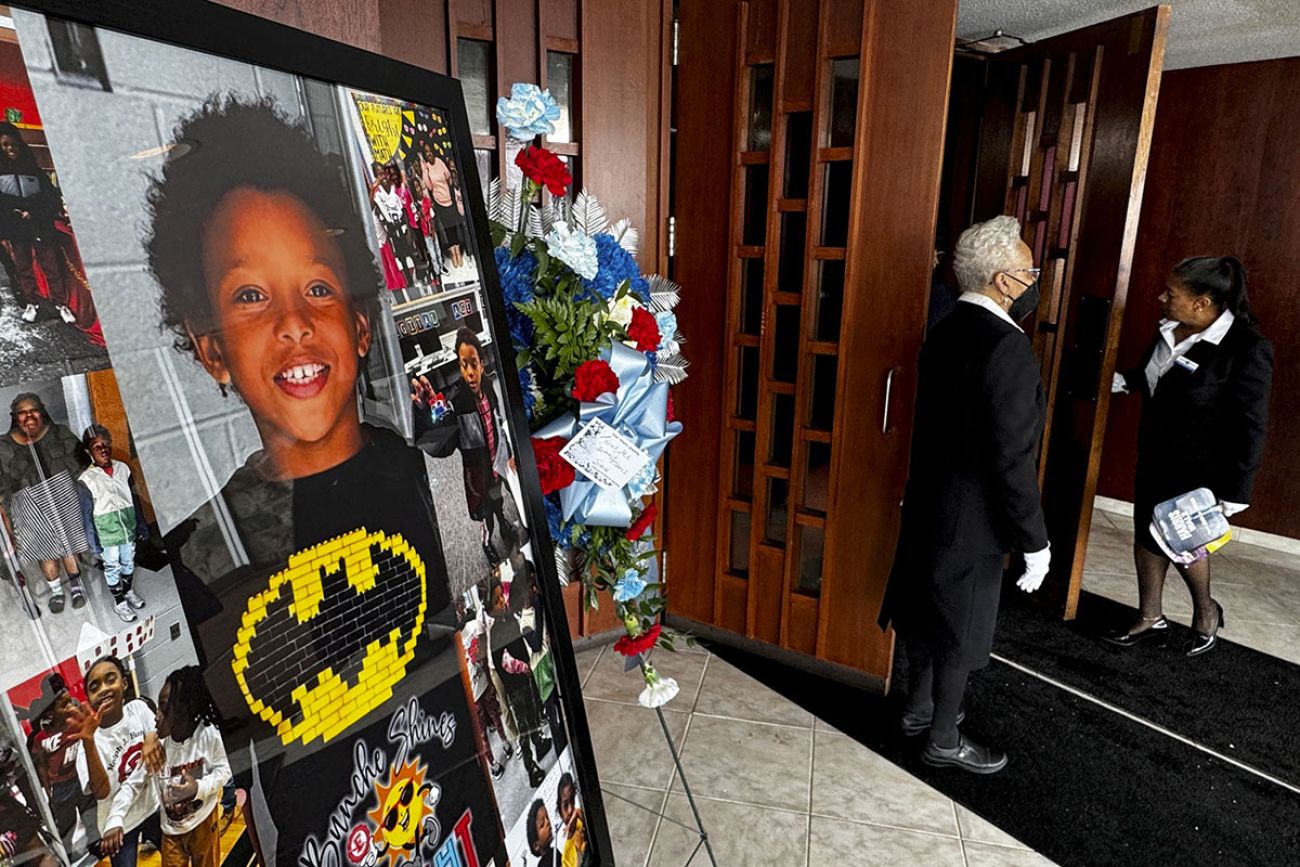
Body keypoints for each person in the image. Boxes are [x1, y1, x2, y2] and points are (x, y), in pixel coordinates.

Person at [143, 96, 496, 863]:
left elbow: (473, 640)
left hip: (461, 816)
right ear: (211, 351)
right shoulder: (209, 545)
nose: (293, 322)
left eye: (318, 288)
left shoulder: (431, 484)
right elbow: (254, 738)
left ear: (361, 325)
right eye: (249, 296)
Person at [878, 215, 1051, 774]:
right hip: (973, 514)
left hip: (929, 498)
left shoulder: (946, 328)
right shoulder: (1007, 346)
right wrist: (1035, 540)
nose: (1035, 278)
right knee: (962, 625)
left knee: (929, 608)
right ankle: (944, 740)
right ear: (1005, 280)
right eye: (1030, 270)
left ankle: (917, 709)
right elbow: (1011, 459)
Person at [1104, 256, 1273, 656]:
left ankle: (1206, 612)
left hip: (1201, 468)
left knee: (1183, 541)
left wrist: (1237, 489)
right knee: (1147, 531)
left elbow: (1252, 423)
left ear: (1201, 302)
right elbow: (1155, 376)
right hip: (1155, 455)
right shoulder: (1169, 329)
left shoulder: (1246, 349)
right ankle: (1150, 618)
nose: (1162, 297)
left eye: (1172, 293)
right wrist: (1121, 381)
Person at [413, 327, 521, 568]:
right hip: (476, 473)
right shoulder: (456, 401)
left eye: (474, 364)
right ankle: (486, 543)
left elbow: (499, 422)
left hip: (496, 463)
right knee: (484, 514)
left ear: (482, 363)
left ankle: (503, 522)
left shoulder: (490, 386)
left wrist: (509, 454)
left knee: (499, 500)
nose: (470, 373)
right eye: (464, 365)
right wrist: (426, 411)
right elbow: (444, 445)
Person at [67, 656, 162, 867]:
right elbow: (101, 792)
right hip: (118, 824)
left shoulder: (137, 708)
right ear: (90, 698)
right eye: (94, 687)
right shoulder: (87, 744)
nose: (103, 689)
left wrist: (150, 736)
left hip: (152, 804)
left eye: (110, 679)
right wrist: (89, 743)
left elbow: (158, 732)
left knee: (179, 857)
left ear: (125, 683)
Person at [0, 393, 90, 612]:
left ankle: (76, 584)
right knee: (46, 552)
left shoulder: (60, 433)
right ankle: (57, 591)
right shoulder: (3, 446)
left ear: (42, 411)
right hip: (29, 508)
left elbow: (84, 468)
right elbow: (2, 488)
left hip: (63, 500)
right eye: (22, 412)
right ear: (15, 417)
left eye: (34, 410)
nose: (29, 416)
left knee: (69, 548)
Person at [0, 122, 77, 326]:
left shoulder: (33, 169)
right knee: (23, 267)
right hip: (16, 228)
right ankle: (31, 303)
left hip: (40, 225)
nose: (10, 149)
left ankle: (61, 304)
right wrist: (13, 212)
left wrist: (33, 211)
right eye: (5, 145)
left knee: (51, 266)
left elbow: (51, 196)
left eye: (14, 145)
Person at [79, 426, 149, 622]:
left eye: (105, 445)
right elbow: (87, 514)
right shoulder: (87, 480)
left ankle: (128, 591)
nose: (103, 449)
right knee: (112, 566)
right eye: (96, 446)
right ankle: (119, 602)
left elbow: (134, 500)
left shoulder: (123, 469)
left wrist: (141, 525)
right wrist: (93, 543)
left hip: (127, 528)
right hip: (107, 533)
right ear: (88, 452)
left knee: (128, 561)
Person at [486, 578, 549, 788]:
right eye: (497, 601)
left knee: (532, 717)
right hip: (515, 685)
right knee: (524, 727)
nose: (502, 601)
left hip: (524, 679)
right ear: (489, 610)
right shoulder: (495, 633)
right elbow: (505, 662)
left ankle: (539, 744)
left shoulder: (509, 619)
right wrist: (523, 667)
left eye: (500, 597)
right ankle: (530, 768)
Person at [25, 673, 91, 855]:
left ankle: (97, 846)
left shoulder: (77, 720)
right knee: (66, 826)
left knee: (90, 817)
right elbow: (41, 765)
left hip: (81, 776)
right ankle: (67, 854)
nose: (70, 707)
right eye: (64, 705)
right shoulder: (42, 736)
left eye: (71, 701)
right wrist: (48, 790)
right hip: (60, 787)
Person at [418, 143, 464, 270]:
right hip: (439, 202)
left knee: (454, 226)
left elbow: (449, 177)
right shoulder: (426, 167)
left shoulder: (439, 162)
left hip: (450, 199)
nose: (429, 153)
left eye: (430, 151)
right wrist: (424, 167)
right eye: (426, 152)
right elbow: (429, 186)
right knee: (447, 228)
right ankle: (453, 254)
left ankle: (458, 251)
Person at [555, 772, 587, 867]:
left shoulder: (580, 819)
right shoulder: (566, 856)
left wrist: (576, 814)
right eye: (565, 806)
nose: (570, 810)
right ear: (560, 813)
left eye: (572, 801)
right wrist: (578, 850)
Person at [526, 799, 557, 867]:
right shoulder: (544, 864)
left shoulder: (554, 852)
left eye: (547, 818)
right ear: (536, 845)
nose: (548, 822)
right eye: (542, 824)